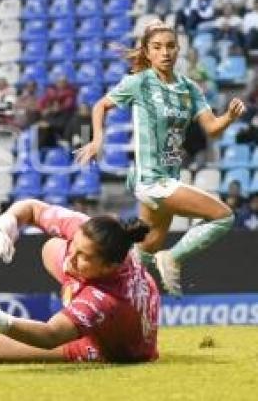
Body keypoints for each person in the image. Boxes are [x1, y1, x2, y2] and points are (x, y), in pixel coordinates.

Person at [76, 21, 246, 295]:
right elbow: (101, 105)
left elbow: (212, 128)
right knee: (223, 216)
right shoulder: (140, 82)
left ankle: (107, 293)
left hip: (168, 178)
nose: (165, 52)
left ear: (178, 49)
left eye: (170, 46)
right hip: (151, 181)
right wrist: (97, 140)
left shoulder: (189, 88)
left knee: (145, 250)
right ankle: (174, 257)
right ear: (147, 51)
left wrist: (229, 116)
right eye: (157, 47)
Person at [0, 199, 159, 363]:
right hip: (138, 297)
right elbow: (33, 208)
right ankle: (77, 298)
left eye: (83, 256)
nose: (71, 257)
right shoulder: (90, 232)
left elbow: (50, 335)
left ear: (110, 266)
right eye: (74, 246)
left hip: (120, 350)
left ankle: (79, 313)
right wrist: (10, 220)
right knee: (52, 246)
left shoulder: (103, 299)